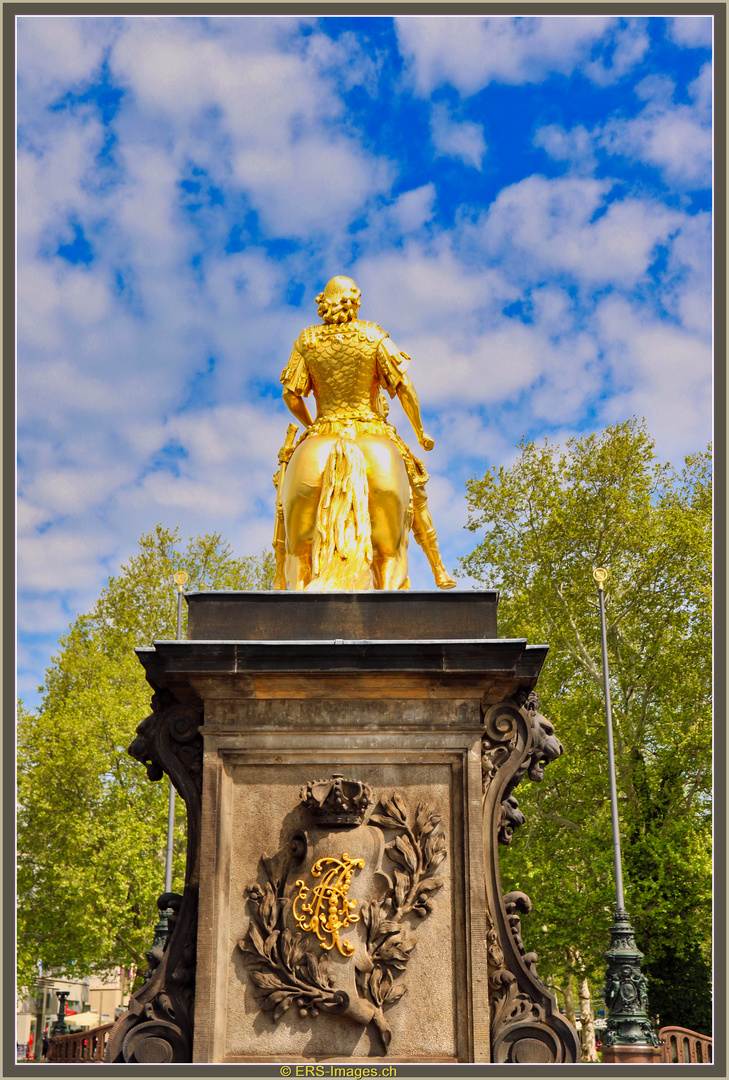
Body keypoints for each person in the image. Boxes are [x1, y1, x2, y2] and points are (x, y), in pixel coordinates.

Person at [274, 276, 456, 590]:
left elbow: (291, 396)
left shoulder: (307, 340)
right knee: (416, 492)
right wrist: (420, 431)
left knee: (284, 498)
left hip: (323, 430)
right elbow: (404, 388)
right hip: (371, 428)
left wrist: (313, 427)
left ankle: (281, 577)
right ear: (354, 301)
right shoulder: (373, 336)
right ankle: (438, 569)